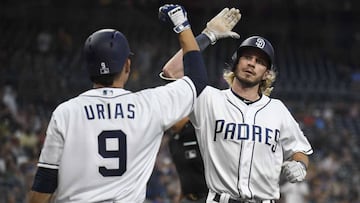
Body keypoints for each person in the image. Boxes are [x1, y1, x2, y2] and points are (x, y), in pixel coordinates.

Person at [28, 4, 209, 203]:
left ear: (88, 68)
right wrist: (183, 25)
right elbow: (197, 79)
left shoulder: (65, 112)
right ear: (127, 65)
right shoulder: (150, 106)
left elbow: (44, 183)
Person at [162, 23, 313, 203]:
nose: (252, 63)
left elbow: (300, 149)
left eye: (260, 62)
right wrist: (208, 36)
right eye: (247, 57)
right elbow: (172, 72)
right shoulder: (210, 99)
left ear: (266, 74)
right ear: (235, 63)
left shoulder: (277, 109)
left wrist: (300, 164)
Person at [168, 117, 208, 203]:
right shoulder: (172, 141)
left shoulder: (199, 132)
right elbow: (183, 171)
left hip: (208, 196)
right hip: (188, 198)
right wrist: (181, 194)